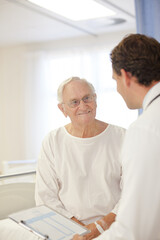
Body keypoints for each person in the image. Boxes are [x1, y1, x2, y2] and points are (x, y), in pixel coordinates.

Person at [73, 34, 160, 240]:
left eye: (115, 80)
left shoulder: (144, 129)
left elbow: (132, 230)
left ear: (126, 76)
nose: (118, 88)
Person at [35, 76, 126, 240]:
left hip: (115, 227)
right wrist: (75, 229)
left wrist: (101, 225)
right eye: (74, 102)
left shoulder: (122, 137)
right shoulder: (52, 141)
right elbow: (45, 197)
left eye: (87, 98)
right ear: (62, 109)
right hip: (68, 230)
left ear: (95, 100)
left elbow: (132, 190)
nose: (83, 106)